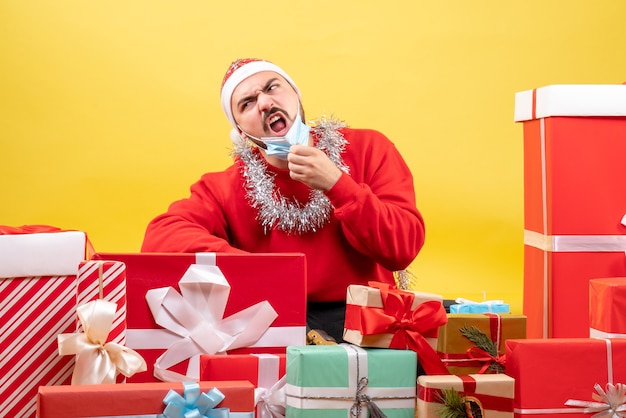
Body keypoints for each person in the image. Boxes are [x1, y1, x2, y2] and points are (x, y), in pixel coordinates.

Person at [141, 58, 426, 342]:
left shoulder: (368, 149)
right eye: (247, 103)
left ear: (296, 95)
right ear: (240, 132)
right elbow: (161, 237)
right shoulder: (225, 186)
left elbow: (402, 248)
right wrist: (263, 271)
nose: (265, 103)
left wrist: (336, 183)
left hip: (371, 326)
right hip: (279, 326)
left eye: (272, 87)